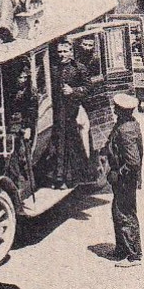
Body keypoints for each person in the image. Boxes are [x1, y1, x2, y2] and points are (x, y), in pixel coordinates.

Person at [107, 92, 144, 267]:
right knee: (118, 211)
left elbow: (133, 162)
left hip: (125, 180)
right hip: (125, 179)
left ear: (122, 110)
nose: (114, 109)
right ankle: (122, 249)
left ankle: (133, 254)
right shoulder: (128, 124)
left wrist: (118, 173)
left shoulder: (125, 130)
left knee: (125, 214)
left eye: (116, 108)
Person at [52, 41, 93, 188]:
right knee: (59, 142)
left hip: (72, 110)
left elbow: (88, 87)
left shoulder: (79, 68)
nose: (62, 55)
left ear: (71, 52)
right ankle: (59, 177)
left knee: (71, 143)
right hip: (57, 111)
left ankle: (69, 178)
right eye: (60, 52)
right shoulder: (54, 69)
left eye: (65, 51)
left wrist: (73, 91)